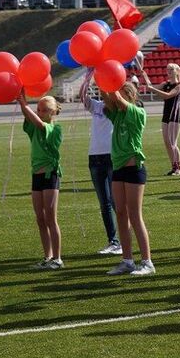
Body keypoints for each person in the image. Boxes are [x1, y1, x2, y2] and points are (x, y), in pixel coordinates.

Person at [102, 82, 155, 276]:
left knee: (134, 215)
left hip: (134, 169)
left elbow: (116, 98)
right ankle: (127, 260)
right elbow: (109, 98)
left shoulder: (137, 112)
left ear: (131, 96)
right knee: (121, 214)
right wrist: (101, 81)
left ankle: (147, 262)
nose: (118, 98)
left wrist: (112, 84)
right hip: (118, 169)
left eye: (124, 94)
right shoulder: (117, 115)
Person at [19, 93, 63, 270]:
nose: (40, 112)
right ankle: (48, 256)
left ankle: (58, 259)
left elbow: (38, 123)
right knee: (40, 218)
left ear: (52, 112)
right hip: (36, 175)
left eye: (44, 110)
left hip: (50, 175)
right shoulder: (34, 128)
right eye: (38, 109)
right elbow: (31, 120)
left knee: (51, 219)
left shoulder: (55, 128)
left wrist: (25, 104)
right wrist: (22, 103)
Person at [80, 72, 121, 256]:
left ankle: (123, 240)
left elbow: (109, 94)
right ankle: (112, 241)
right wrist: (88, 77)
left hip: (112, 157)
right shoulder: (96, 106)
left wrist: (106, 79)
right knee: (104, 203)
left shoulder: (118, 108)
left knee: (116, 202)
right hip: (94, 158)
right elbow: (82, 96)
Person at [141, 63, 180, 176]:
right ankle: (173, 166)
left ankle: (179, 168)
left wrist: (155, 90)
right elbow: (151, 88)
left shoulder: (179, 85)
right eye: (167, 69)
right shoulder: (165, 83)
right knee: (166, 142)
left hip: (175, 115)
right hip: (166, 114)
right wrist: (145, 76)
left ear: (177, 71)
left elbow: (167, 95)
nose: (168, 71)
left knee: (173, 143)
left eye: (171, 69)